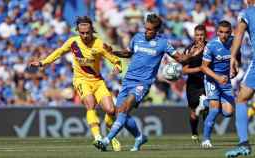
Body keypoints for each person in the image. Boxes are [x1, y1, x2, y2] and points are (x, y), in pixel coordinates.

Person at [94, 13, 200, 152]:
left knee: (125, 108)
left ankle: (106, 141)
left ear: (156, 30)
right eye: (146, 28)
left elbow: (180, 59)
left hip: (142, 83)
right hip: (128, 80)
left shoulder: (163, 43)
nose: (146, 31)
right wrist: (113, 52)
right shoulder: (137, 37)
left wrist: (193, 55)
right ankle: (139, 137)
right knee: (120, 112)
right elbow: (128, 53)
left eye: (150, 29)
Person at [30, 16, 121, 151]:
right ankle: (98, 138)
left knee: (111, 110)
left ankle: (111, 135)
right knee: (90, 104)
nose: (84, 35)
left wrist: (117, 67)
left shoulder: (99, 44)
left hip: (97, 81)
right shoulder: (73, 42)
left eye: (87, 32)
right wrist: (43, 62)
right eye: (81, 32)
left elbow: (115, 60)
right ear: (78, 31)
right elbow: (59, 52)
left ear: (92, 31)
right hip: (81, 80)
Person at [225, 0, 255, 157]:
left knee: (242, 99)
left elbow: (238, 33)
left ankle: (244, 144)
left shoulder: (247, 13)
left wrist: (232, 58)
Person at [200, 20, 235, 148]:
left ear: (231, 32)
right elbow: (203, 67)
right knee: (214, 110)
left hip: (225, 81)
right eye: (221, 32)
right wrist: (217, 77)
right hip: (212, 79)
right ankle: (206, 140)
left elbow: (237, 58)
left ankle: (204, 102)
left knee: (228, 112)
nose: (224, 35)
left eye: (227, 32)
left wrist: (235, 69)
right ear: (217, 32)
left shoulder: (234, 42)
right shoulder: (211, 46)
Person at [182, 24, 208, 142]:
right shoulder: (189, 49)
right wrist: (199, 69)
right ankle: (194, 132)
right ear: (194, 36)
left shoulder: (210, 47)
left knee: (206, 108)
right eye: (197, 35)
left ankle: (207, 136)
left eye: (202, 35)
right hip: (193, 84)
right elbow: (184, 70)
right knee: (193, 113)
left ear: (205, 35)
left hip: (206, 83)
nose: (199, 37)